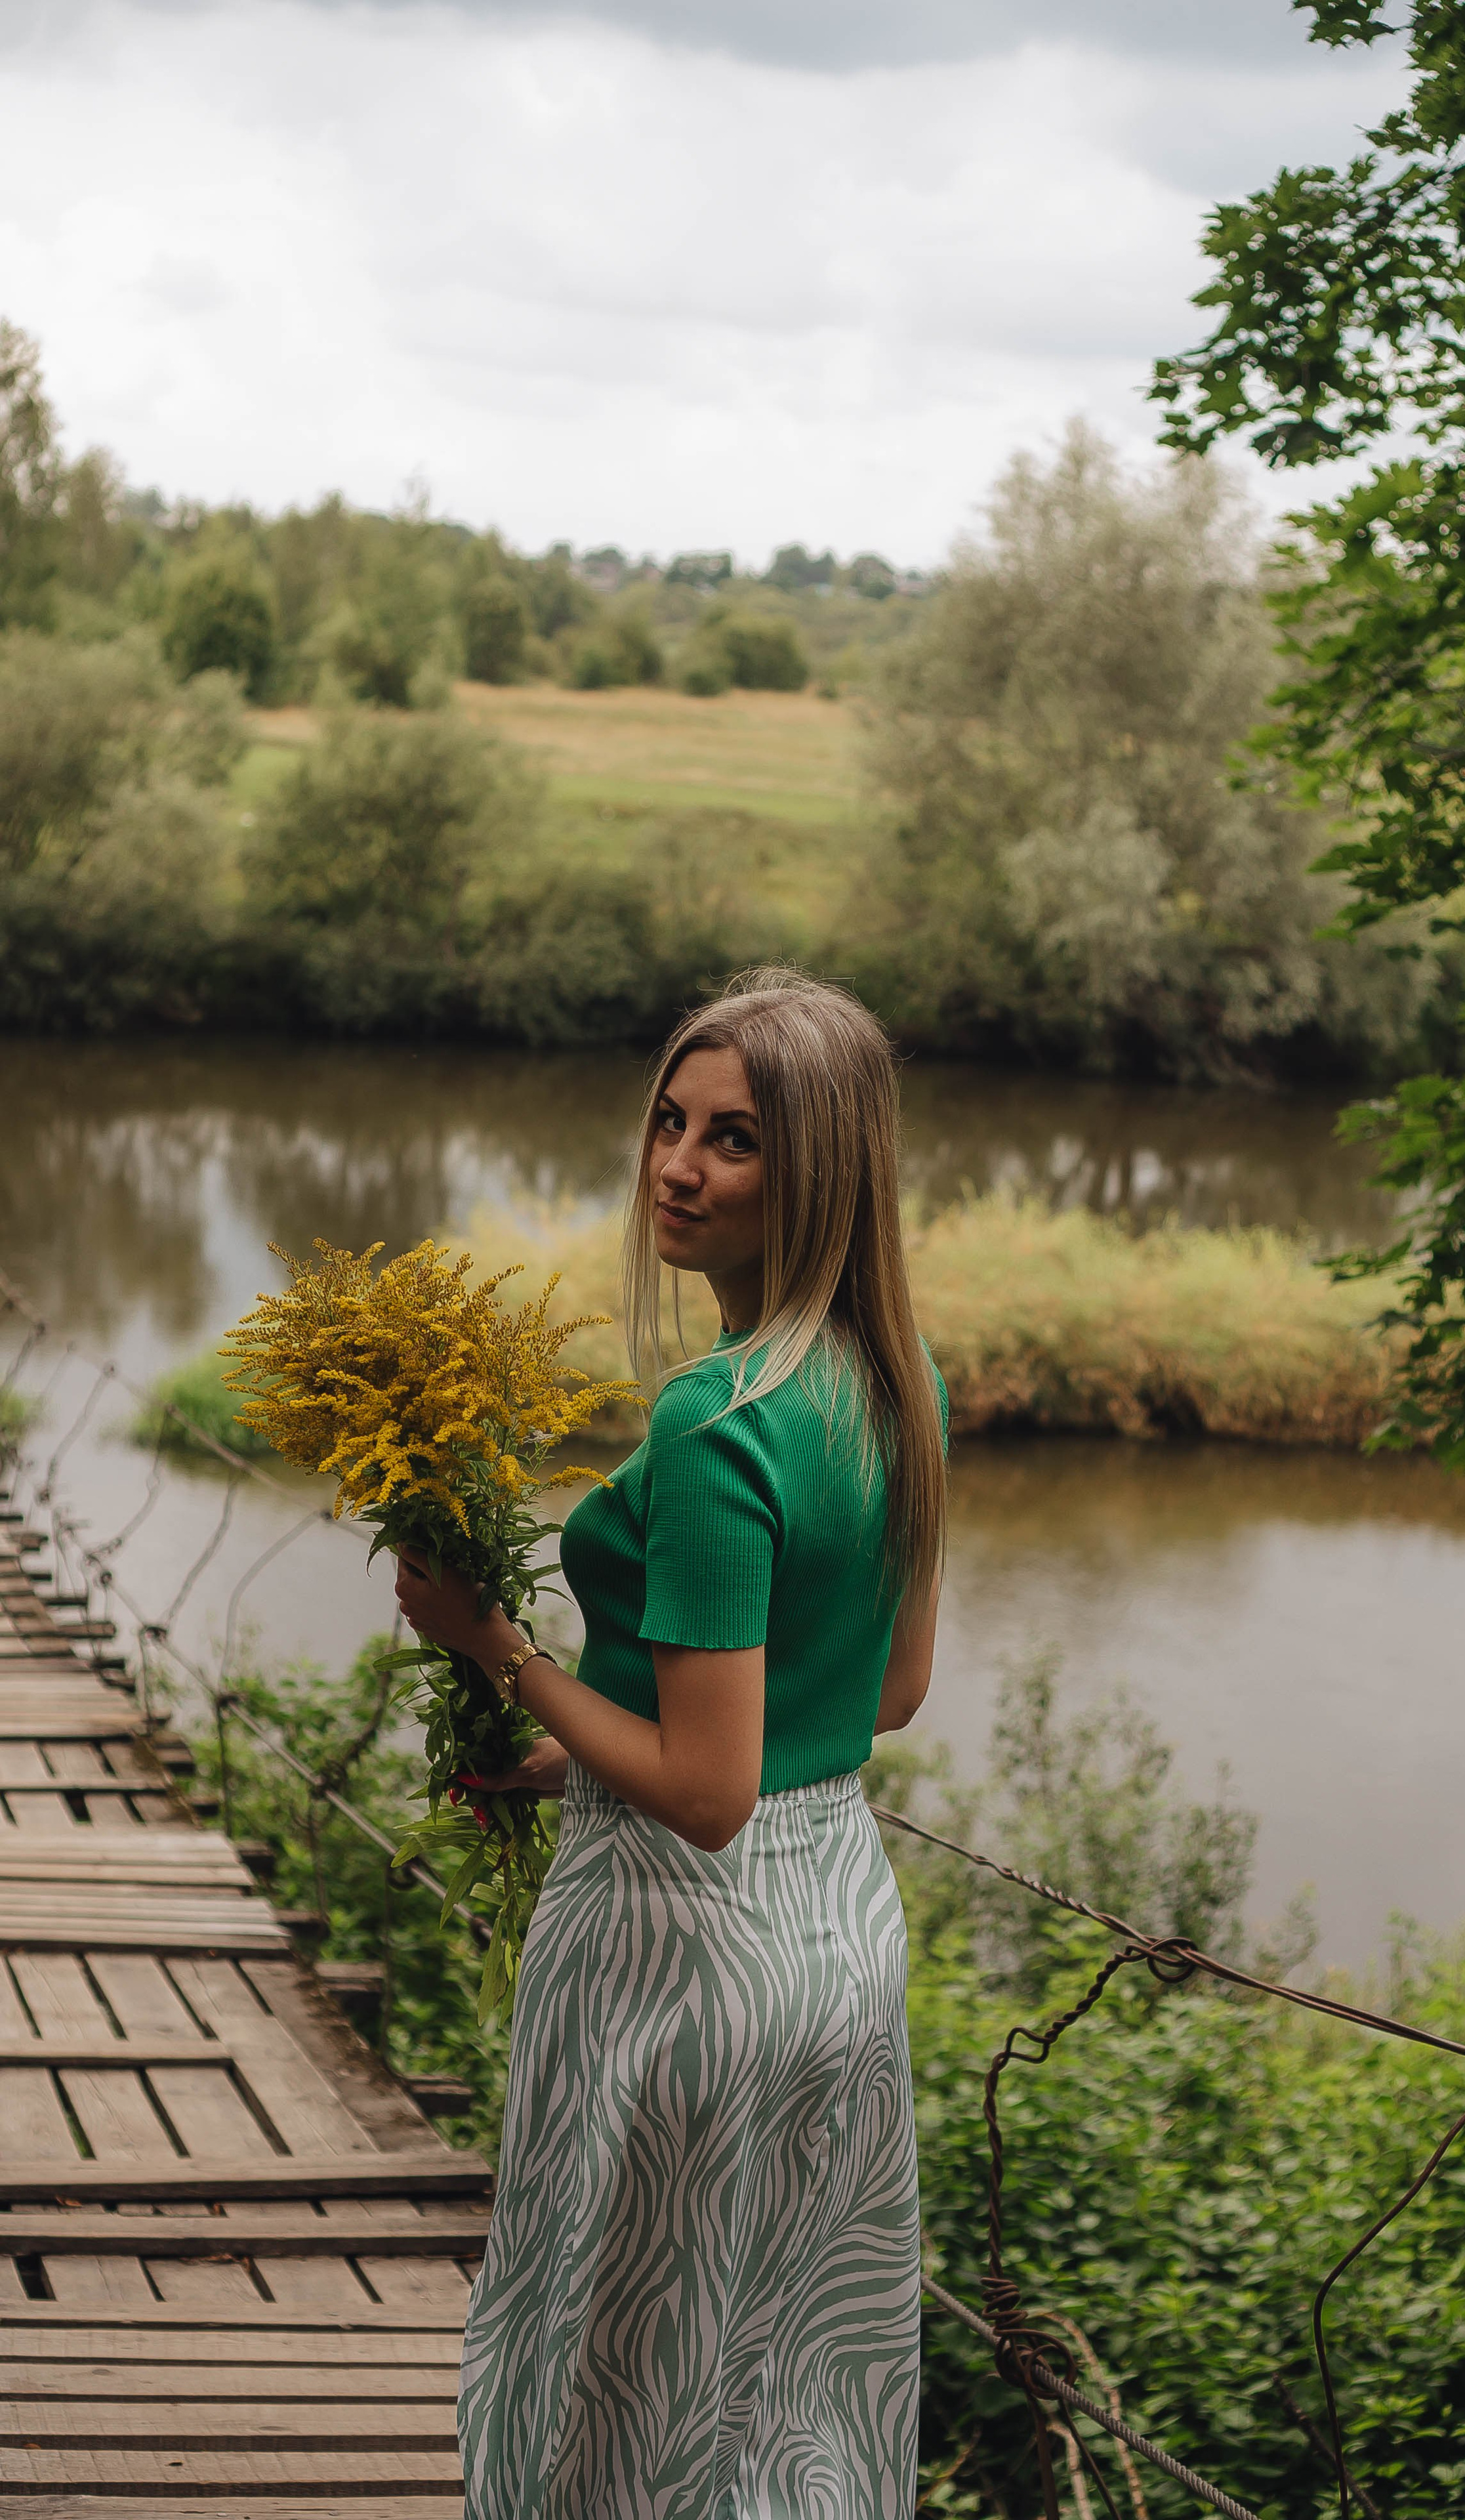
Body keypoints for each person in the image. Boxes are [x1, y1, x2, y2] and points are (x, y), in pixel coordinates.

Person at [394, 967, 947, 2520]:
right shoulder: (903, 1387)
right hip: (837, 1944)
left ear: (822, 1171)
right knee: (786, 2398)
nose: (676, 1167)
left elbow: (704, 1795)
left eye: (735, 1142)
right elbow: (876, 1700)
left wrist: (489, 1649)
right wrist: (578, 1751)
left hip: (678, 1960)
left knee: (611, 2410)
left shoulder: (719, 1419)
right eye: (668, 1120)